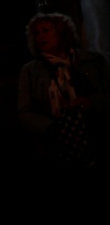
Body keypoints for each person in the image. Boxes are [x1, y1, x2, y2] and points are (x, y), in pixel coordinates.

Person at [17, 12, 110, 223]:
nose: (40, 36)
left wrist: (90, 102)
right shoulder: (31, 71)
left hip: (95, 140)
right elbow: (24, 112)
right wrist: (50, 127)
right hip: (55, 147)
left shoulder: (92, 61)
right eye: (36, 33)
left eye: (46, 30)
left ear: (62, 31)